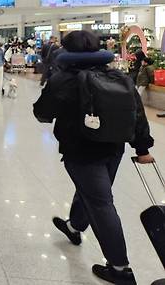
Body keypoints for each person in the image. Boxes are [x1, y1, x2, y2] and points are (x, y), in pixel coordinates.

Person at [33, 30, 154, 285]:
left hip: (81, 150)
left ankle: (120, 269)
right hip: (113, 148)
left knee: (100, 203)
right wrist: (142, 148)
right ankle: (74, 226)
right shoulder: (119, 77)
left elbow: (42, 113)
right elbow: (137, 114)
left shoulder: (64, 80)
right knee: (93, 192)